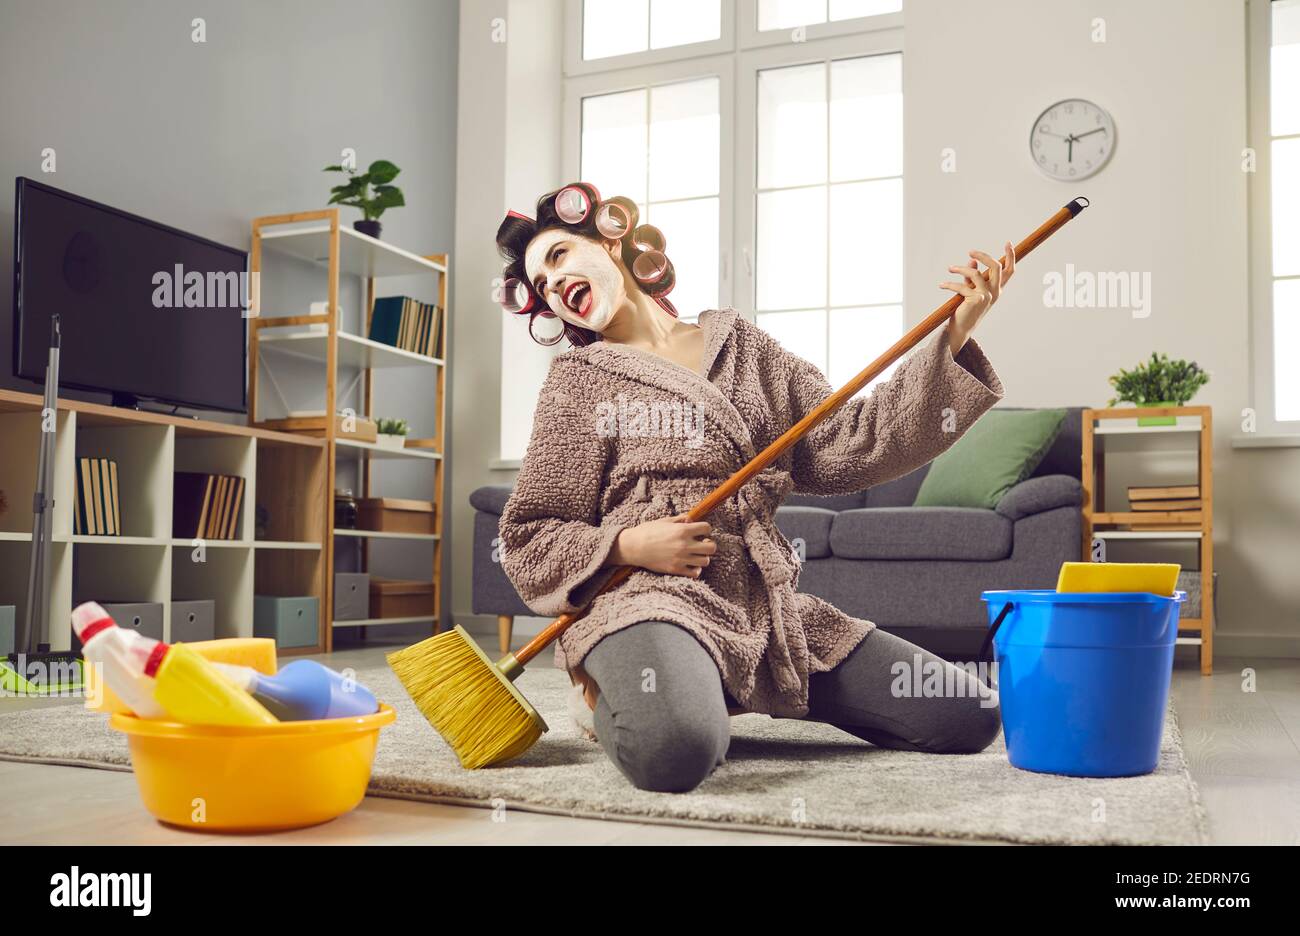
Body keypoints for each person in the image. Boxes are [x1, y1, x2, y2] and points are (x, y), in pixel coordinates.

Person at [494, 181, 1015, 792]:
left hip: (758, 602)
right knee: (675, 749)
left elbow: (846, 443)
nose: (554, 285)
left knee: (965, 713)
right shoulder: (576, 384)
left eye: (558, 257)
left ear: (611, 240)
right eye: (543, 287)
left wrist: (951, 335)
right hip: (645, 597)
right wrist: (628, 546)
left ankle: (714, 683)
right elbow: (530, 534)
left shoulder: (742, 347)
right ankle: (617, 692)